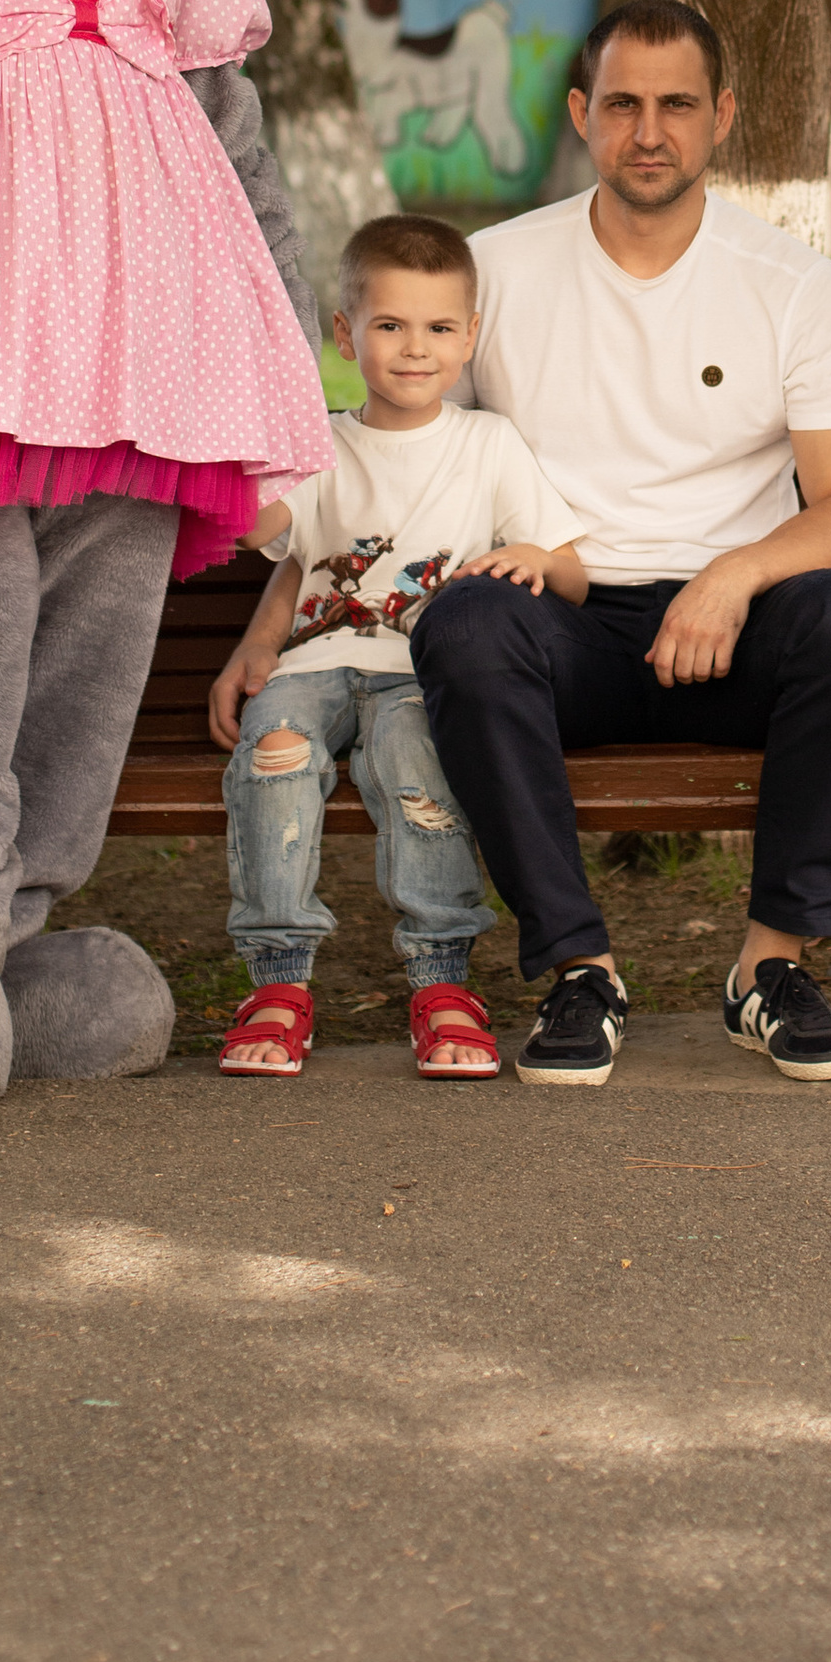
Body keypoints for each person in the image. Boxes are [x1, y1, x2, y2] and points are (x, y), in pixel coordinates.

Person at [410, 0, 831, 1090]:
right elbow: (397, 445)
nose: (649, 130)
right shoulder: (492, 274)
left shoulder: (794, 287)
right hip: (567, 624)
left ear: (721, 116)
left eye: (677, 104)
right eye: (623, 103)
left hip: (736, 635)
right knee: (467, 623)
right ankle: (579, 972)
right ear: (583, 114)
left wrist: (736, 573)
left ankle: (769, 972)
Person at [208, 212, 582, 1082]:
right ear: (346, 334)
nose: (416, 349)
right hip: (311, 667)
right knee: (276, 750)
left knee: (420, 759)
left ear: (470, 337)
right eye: (390, 325)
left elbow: (574, 576)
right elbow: (278, 541)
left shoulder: (488, 445)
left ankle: (443, 981)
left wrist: (534, 555)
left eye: (439, 328)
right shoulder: (318, 444)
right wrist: (250, 638)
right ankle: (278, 981)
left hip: (422, 676)